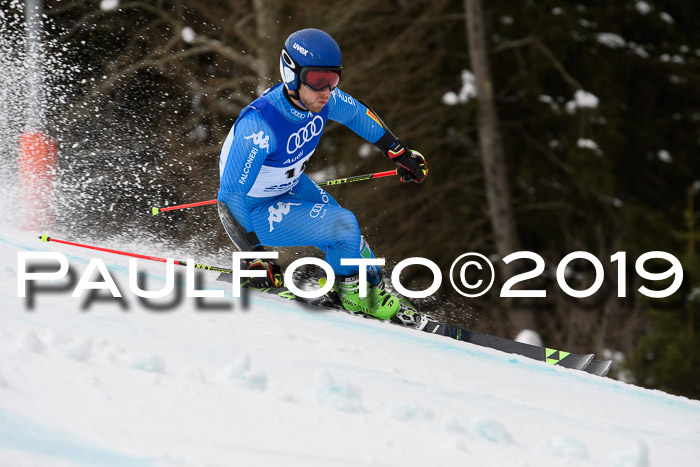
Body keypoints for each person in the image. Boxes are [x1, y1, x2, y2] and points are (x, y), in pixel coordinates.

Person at [217, 28, 428, 327]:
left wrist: (398, 152)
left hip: (289, 185)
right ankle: (352, 298)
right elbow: (229, 198)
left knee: (354, 245)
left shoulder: (319, 100)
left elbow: (356, 114)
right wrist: (255, 258)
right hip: (253, 211)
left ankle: (367, 290)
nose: (326, 90)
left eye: (333, 79)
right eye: (317, 80)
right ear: (291, 74)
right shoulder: (259, 127)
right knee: (344, 226)